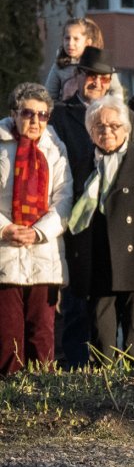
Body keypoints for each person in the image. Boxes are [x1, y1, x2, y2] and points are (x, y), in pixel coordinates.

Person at [65, 96, 134, 363]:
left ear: (126, 128)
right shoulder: (84, 165)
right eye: (99, 126)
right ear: (90, 131)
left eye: (114, 125)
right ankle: (103, 398)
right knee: (100, 341)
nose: (107, 132)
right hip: (98, 265)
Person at [47, 46, 122, 367]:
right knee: (76, 301)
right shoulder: (61, 115)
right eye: (90, 76)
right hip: (75, 218)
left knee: (107, 302)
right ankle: (75, 368)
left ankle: (106, 366)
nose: (96, 83)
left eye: (102, 78)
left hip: (111, 220)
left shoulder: (121, 116)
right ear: (77, 77)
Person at [0, 84, 72, 373]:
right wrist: (6, 229)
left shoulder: (55, 148)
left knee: (42, 336)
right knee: (8, 339)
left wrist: (40, 231)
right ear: (13, 113)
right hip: (5, 252)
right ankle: (11, 406)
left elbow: (65, 198)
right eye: (28, 113)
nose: (35, 121)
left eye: (43, 115)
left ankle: (44, 404)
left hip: (44, 252)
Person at [44, 17, 123, 102]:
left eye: (76, 39)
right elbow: (49, 96)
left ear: (88, 42)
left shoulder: (101, 65)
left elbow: (116, 91)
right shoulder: (59, 66)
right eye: (67, 38)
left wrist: (115, 109)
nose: (70, 43)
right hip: (67, 111)